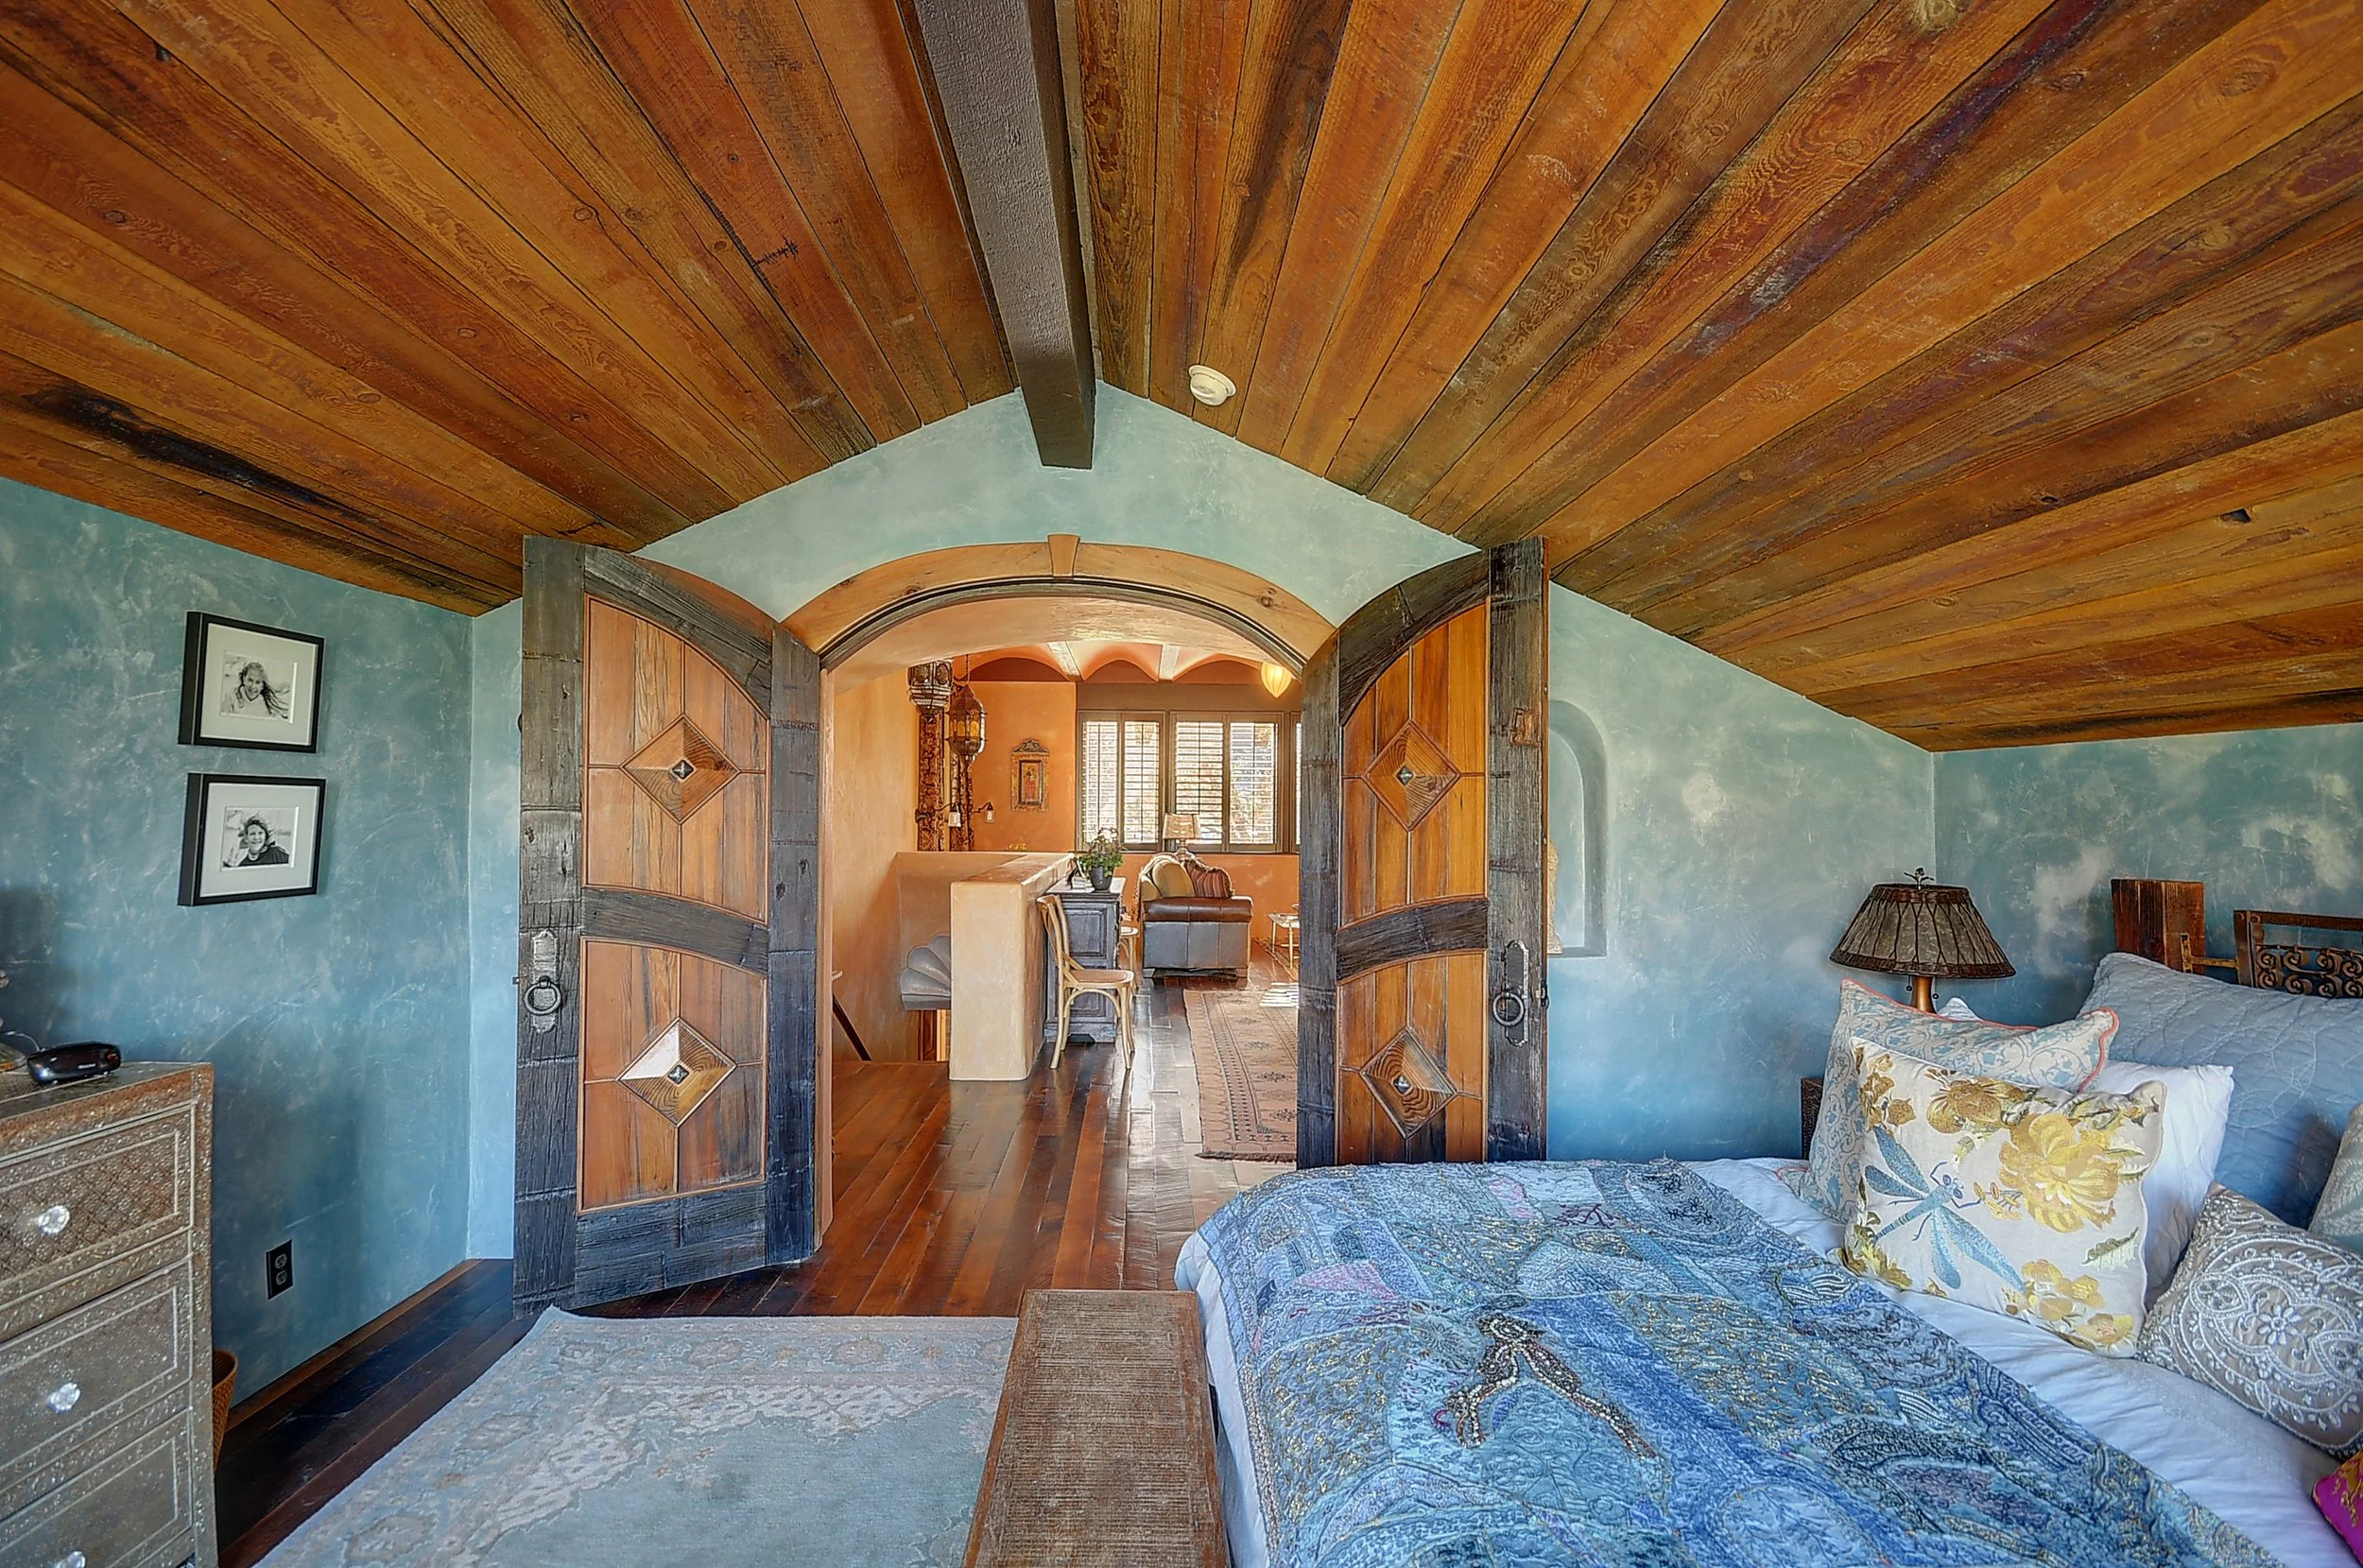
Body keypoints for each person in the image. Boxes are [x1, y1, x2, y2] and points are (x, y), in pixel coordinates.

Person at [226, 660, 291, 721]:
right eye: (250, 680)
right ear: (244, 679)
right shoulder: (231, 697)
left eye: (258, 682)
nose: (253, 686)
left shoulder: (268, 704)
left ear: (262, 686)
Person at [226, 815, 290, 868]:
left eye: (260, 833)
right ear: (246, 838)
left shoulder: (276, 854)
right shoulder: (243, 864)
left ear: (265, 836)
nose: (256, 838)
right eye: (252, 834)